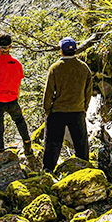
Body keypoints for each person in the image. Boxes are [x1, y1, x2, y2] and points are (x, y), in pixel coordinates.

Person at [41, 36, 92, 171]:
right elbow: (88, 92)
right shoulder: (84, 68)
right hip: (77, 110)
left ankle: (48, 170)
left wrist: (47, 110)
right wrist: (84, 108)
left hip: (57, 111)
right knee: (81, 143)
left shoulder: (55, 68)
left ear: (61, 51)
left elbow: (49, 92)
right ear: (75, 51)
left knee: (53, 143)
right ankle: (85, 168)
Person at [0, 33, 33, 162]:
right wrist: (15, 96)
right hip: (12, 100)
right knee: (19, 121)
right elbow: (18, 83)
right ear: (10, 47)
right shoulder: (17, 63)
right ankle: (27, 142)